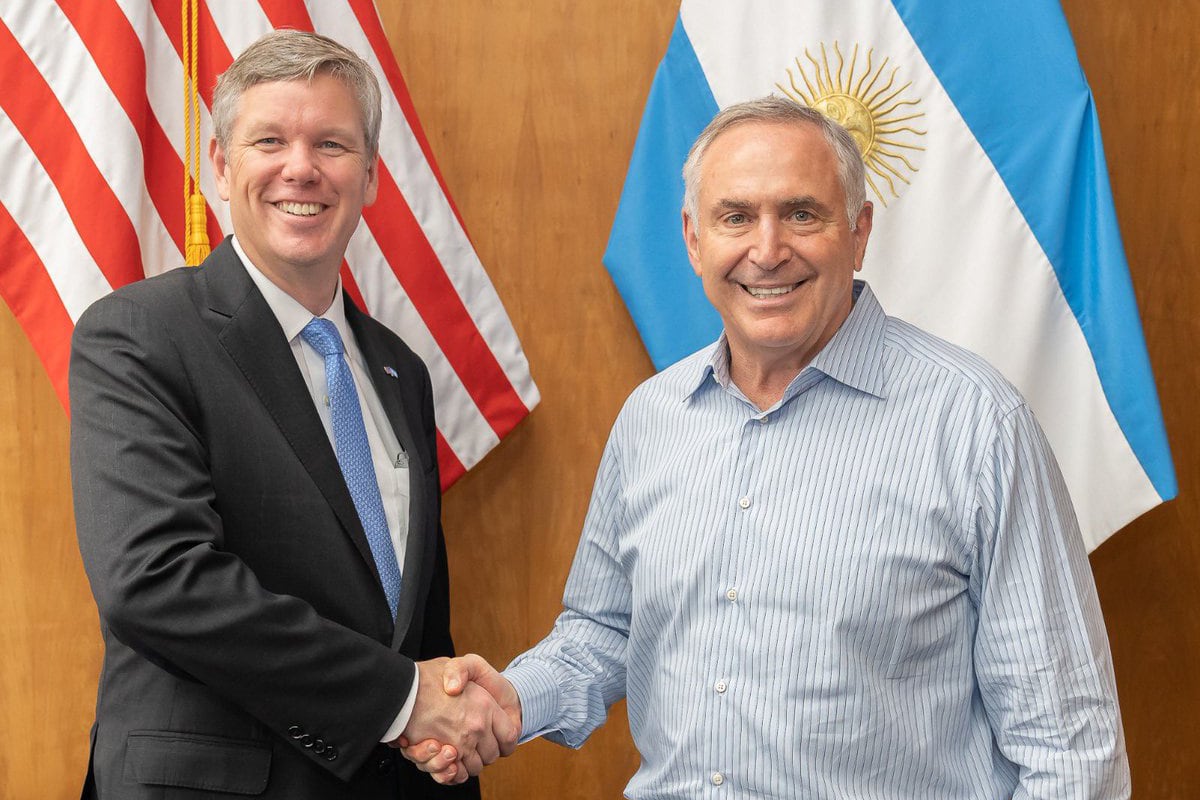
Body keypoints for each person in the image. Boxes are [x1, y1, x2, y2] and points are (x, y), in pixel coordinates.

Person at [404, 97, 1131, 798]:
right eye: (736, 217)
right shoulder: (653, 418)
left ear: (859, 230)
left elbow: (1068, 746)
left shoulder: (976, 424)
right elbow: (607, 629)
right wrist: (510, 702)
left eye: (802, 214)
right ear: (694, 240)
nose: (767, 249)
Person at [69, 30, 514, 799]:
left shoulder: (399, 370)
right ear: (220, 164)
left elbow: (414, 629)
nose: (300, 168)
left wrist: (439, 726)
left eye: (332, 144)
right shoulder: (138, 335)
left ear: (371, 177)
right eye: (269, 140)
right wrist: (402, 701)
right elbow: (157, 580)